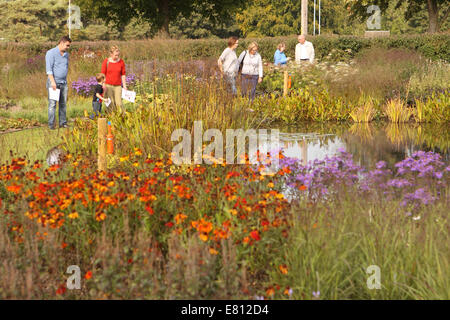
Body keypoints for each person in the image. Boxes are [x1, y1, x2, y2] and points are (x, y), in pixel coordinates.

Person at [45, 35, 72, 129]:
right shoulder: (51, 53)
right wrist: (53, 82)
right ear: (61, 43)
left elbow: (65, 67)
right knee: (52, 104)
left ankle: (63, 123)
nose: (68, 48)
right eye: (67, 45)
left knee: (63, 104)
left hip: (63, 83)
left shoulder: (66, 55)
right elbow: (49, 70)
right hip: (54, 83)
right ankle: (51, 125)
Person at [101, 45, 127, 112]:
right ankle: (110, 120)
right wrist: (103, 84)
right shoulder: (106, 61)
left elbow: (123, 74)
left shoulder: (121, 62)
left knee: (119, 103)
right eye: (115, 55)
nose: (117, 57)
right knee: (110, 104)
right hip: (108, 86)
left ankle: (121, 119)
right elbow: (102, 74)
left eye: (118, 55)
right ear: (111, 54)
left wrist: (124, 86)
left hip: (118, 86)